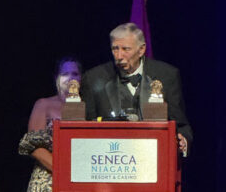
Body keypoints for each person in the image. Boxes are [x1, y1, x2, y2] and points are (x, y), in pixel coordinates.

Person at [80, 23, 193, 155]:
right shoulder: (93, 78)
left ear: (141, 50)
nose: (119, 56)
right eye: (115, 49)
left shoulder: (166, 75)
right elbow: (86, 128)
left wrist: (183, 140)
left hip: (154, 156)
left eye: (125, 49)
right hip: (110, 159)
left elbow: (180, 125)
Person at [19, 57, 82, 192]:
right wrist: (63, 172)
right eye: (65, 74)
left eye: (75, 74)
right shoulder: (44, 104)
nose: (70, 78)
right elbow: (35, 147)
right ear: (56, 78)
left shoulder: (84, 106)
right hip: (48, 178)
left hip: (78, 180)